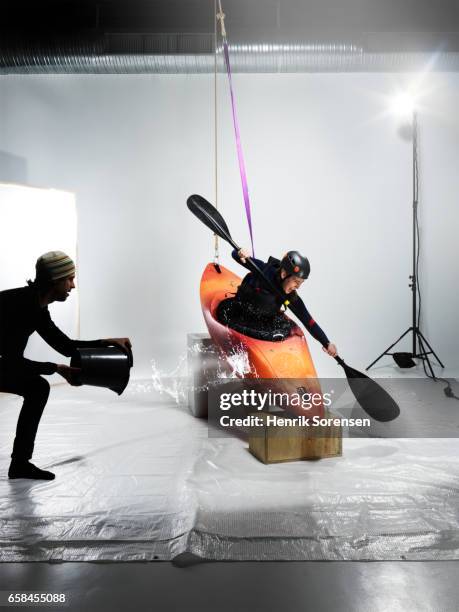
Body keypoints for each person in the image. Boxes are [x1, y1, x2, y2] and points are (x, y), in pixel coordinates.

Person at [0, 251, 132, 481]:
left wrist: (106, 343)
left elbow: (65, 346)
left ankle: (20, 464)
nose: (73, 285)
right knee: (37, 387)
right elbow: (11, 362)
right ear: (54, 280)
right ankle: (20, 463)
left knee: (37, 388)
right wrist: (56, 368)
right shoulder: (19, 305)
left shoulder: (37, 306)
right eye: (69, 279)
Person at [217, 248, 337, 355]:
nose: (298, 287)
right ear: (284, 273)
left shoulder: (290, 296)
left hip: (262, 322)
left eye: (301, 283)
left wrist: (326, 343)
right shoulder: (263, 270)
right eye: (296, 281)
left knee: (281, 330)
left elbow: (309, 321)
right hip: (239, 313)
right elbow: (234, 255)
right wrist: (240, 253)